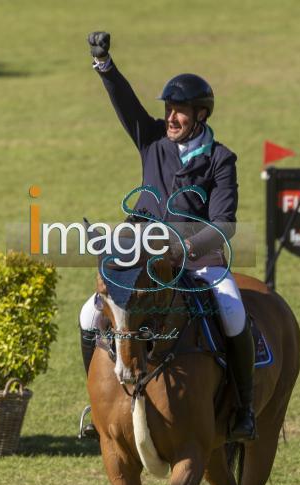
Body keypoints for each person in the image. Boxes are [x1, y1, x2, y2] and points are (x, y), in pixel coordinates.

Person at [79, 31, 256, 442]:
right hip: (142, 256)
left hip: (196, 262)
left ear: (201, 116)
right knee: (88, 315)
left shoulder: (221, 160)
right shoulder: (153, 140)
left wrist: (185, 250)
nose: (172, 117)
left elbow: (223, 224)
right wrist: (105, 65)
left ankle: (244, 408)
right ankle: (95, 405)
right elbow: (126, 105)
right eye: (169, 110)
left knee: (231, 310)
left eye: (180, 112)